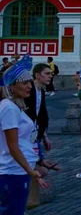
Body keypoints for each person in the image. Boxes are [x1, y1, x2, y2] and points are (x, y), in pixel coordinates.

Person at [0, 55, 50, 213]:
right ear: (12, 87)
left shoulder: (14, 106)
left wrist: (38, 160)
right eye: (24, 83)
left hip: (18, 171)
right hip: (12, 172)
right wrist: (30, 170)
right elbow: (12, 145)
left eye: (29, 82)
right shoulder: (9, 108)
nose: (29, 86)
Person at [25, 63, 59, 173]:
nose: (50, 76)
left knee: (40, 169)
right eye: (47, 73)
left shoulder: (41, 91)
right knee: (38, 170)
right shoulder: (28, 91)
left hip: (35, 133)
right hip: (26, 134)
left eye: (51, 74)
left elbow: (41, 114)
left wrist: (44, 135)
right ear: (37, 75)